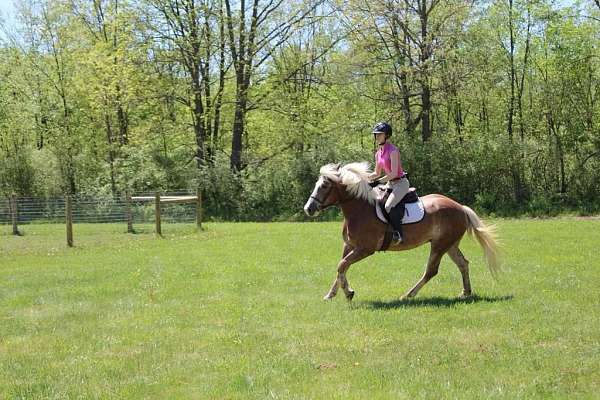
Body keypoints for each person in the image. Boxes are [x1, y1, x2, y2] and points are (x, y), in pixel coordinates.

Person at [368, 122, 409, 244]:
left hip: (401, 183)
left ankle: (398, 234)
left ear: (387, 135)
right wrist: (362, 178)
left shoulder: (393, 150)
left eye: (380, 134)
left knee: (388, 206)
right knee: (376, 201)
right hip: (389, 184)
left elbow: (394, 173)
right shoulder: (378, 153)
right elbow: (376, 173)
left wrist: (378, 182)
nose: (377, 137)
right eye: (376, 135)